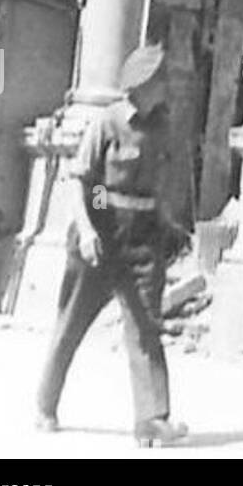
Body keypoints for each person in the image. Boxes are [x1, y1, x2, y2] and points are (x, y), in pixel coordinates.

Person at [35, 42, 189, 447]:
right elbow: (82, 181)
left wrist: (167, 221)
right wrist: (87, 231)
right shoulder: (107, 122)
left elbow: (160, 183)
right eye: (162, 80)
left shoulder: (162, 125)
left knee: (146, 329)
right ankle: (45, 405)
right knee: (72, 323)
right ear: (142, 85)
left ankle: (152, 422)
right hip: (101, 238)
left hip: (144, 240)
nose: (168, 87)